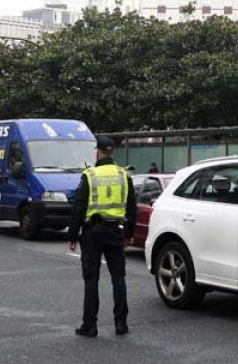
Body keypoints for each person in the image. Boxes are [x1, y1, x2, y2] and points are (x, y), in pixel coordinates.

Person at [68, 136, 136, 336]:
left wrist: (72, 235)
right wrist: (130, 233)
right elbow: (131, 207)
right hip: (117, 230)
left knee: (91, 279)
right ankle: (121, 323)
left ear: (98, 151)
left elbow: (78, 207)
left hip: (92, 232)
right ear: (113, 152)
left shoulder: (90, 175)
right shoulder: (124, 175)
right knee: (118, 277)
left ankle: (90, 325)